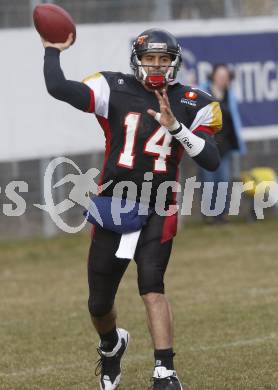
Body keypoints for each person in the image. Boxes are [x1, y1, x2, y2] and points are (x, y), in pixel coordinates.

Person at [41, 28, 222, 390]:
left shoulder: (193, 101)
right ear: (137, 61)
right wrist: (51, 50)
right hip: (115, 202)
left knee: (152, 284)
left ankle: (165, 372)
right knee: (99, 302)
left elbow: (212, 160)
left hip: (161, 203)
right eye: (150, 58)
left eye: (164, 59)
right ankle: (111, 344)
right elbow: (58, 88)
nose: (156, 65)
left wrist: (176, 127)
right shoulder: (114, 87)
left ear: (174, 63)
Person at [198, 63, 246, 223]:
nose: (222, 80)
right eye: (219, 76)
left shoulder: (229, 94)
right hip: (206, 144)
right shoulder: (203, 91)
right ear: (213, 76)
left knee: (223, 180)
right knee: (208, 180)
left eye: (225, 77)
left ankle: (221, 214)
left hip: (224, 146)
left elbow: (233, 120)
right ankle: (208, 214)